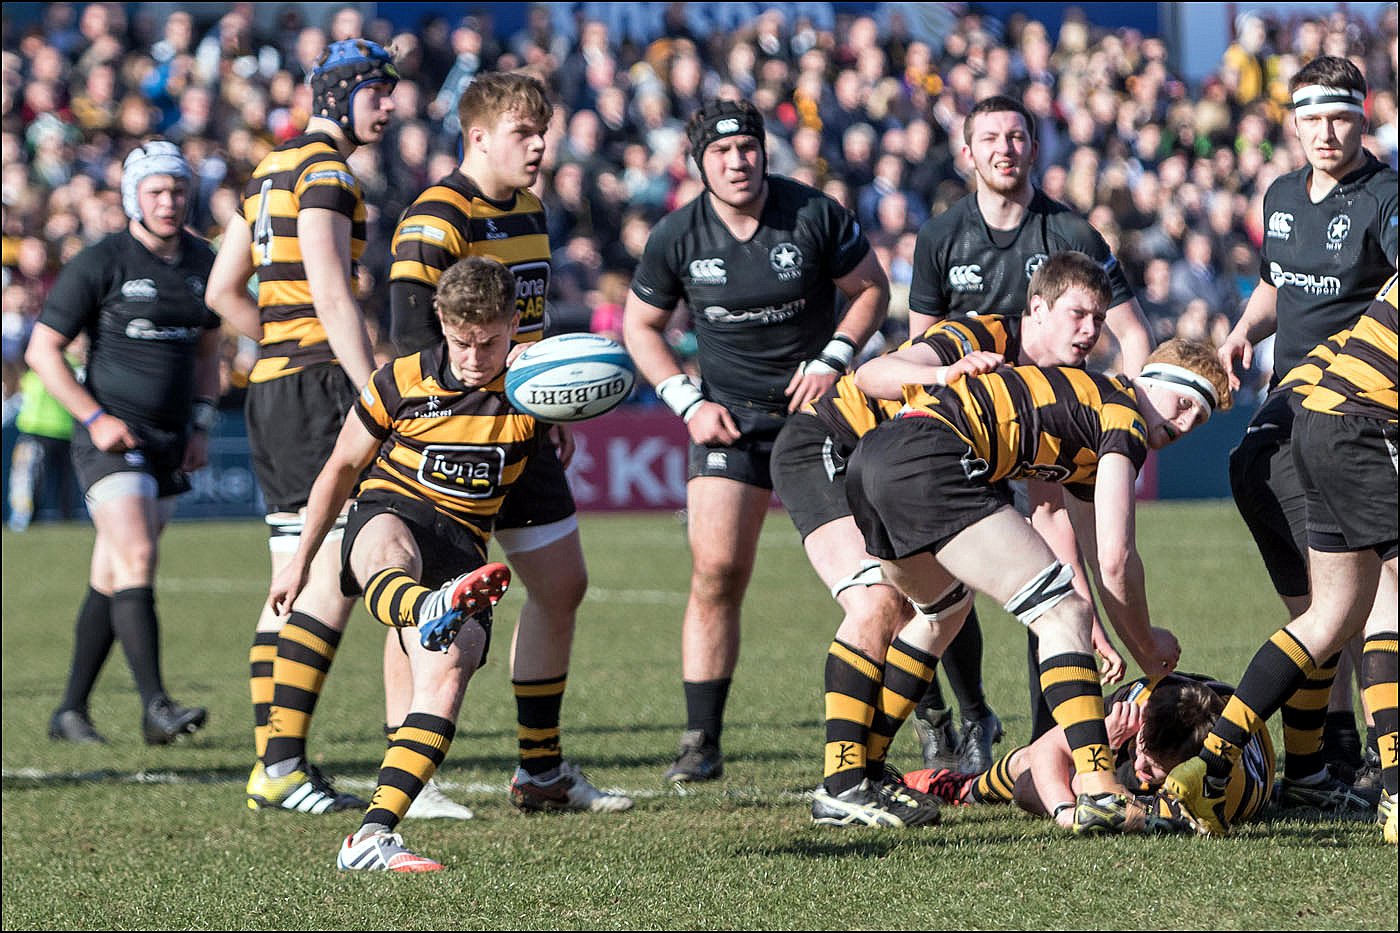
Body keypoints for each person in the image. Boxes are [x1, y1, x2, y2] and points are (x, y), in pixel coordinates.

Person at [770, 250, 1126, 826]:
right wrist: (944, 374)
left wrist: (1093, 626)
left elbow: (1049, 513)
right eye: (1078, 314)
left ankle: (867, 771)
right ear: (1038, 309)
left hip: (896, 471)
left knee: (946, 608)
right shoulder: (982, 335)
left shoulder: (1057, 384)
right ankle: (843, 785)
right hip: (829, 444)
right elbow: (871, 376)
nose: (1090, 331)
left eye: (1100, 319)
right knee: (876, 603)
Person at [842, 338, 1230, 833]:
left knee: (941, 613)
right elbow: (1117, 559)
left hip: (877, 456)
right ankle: (1100, 788)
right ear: (1150, 381)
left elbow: (1095, 555)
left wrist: (1118, 638)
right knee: (1064, 614)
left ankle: (864, 773)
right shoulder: (1124, 415)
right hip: (932, 455)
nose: (1185, 424)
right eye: (1184, 403)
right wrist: (1147, 644)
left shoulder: (1092, 415)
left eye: (1199, 419)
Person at [622, 98, 890, 782]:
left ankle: (930, 720)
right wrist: (687, 402)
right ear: (698, 164)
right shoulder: (677, 235)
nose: (737, 161)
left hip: (817, 419)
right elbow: (639, 326)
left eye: (747, 148)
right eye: (720, 152)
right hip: (731, 424)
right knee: (715, 572)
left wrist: (832, 358)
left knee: (883, 571)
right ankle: (700, 741)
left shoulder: (813, 213)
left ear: (764, 153)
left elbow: (871, 289)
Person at [389, 71, 631, 816]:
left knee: (562, 584)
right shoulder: (435, 219)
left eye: (542, 132)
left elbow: (527, 329)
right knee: (426, 599)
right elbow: (410, 343)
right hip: (449, 438)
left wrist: (551, 407)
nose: (539, 146)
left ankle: (540, 771)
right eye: (523, 132)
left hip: (521, 429)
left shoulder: (530, 208)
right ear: (478, 137)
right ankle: (411, 777)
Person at [906, 95, 1158, 767]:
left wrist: (1122, 425)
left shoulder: (1071, 231)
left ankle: (1056, 741)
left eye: (1017, 136)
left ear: (1034, 149)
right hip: (967, 436)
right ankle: (971, 715)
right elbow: (916, 350)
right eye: (990, 137)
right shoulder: (940, 237)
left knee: (1052, 581)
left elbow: (1133, 335)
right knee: (945, 583)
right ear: (967, 152)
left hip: (1053, 434)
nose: (1005, 148)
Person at [268, 257, 523, 872]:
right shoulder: (400, 380)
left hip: (464, 547)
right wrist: (300, 560)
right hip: (390, 510)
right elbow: (340, 467)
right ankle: (425, 605)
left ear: (515, 324)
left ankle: (371, 835)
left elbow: (598, 375)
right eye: (462, 342)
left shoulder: (534, 384)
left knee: (447, 681)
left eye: (489, 342)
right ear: (441, 322)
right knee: (390, 551)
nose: (474, 358)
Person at [205, 38, 398, 813]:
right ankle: (281, 763)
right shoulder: (326, 173)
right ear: (339, 96)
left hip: (274, 386)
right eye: (377, 91)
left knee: (293, 567)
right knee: (330, 573)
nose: (390, 105)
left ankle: (273, 763)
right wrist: (373, 388)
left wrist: (279, 338)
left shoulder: (267, 171)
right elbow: (331, 292)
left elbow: (223, 290)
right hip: (317, 388)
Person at [1216, 56, 1398, 804]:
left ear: (1363, 117)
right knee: (1343, 603)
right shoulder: (1282, 194)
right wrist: (1242, 331)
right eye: (1312, 119)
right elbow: (1275, 283)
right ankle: (1348, 762)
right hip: (1291, 416)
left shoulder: (1385, 196)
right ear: (1292, 122)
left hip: (1357, 411)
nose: (1326, 133)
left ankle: (1335, 761)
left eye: (1341, 118)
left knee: (1342, 603)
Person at [1169, 276, 1397, 843]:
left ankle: (1210, 767)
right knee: (1388, 607)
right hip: (1363, 423)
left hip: (1313, 424)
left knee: (1332, 615)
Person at [27, 140, 217, 745]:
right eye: (156, 191)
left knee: (113, 572)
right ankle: (156, 707)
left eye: (178, 190)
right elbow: (42, 351)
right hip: (111, 439)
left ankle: (70, 711)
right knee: (137, 556)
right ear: (134, 196)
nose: (168, 201)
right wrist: (94, 419)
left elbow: (209, 351)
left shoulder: (205, 261)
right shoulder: (101, 261)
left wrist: (202, 424)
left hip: (170, 440)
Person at [905, 673, 1272, 833]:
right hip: (1190, 692)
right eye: (1141, 751)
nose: (1140, 765)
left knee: (1034, 784)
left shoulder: (1202, 790)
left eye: (1154, 768)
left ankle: (966, 788)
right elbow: (1047, 746)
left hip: (1211, 750)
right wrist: (1102, 743)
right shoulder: (1138, 702)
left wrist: (1096, 761)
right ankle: (964, 788)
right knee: (1036, 758)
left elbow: (1082, 798)